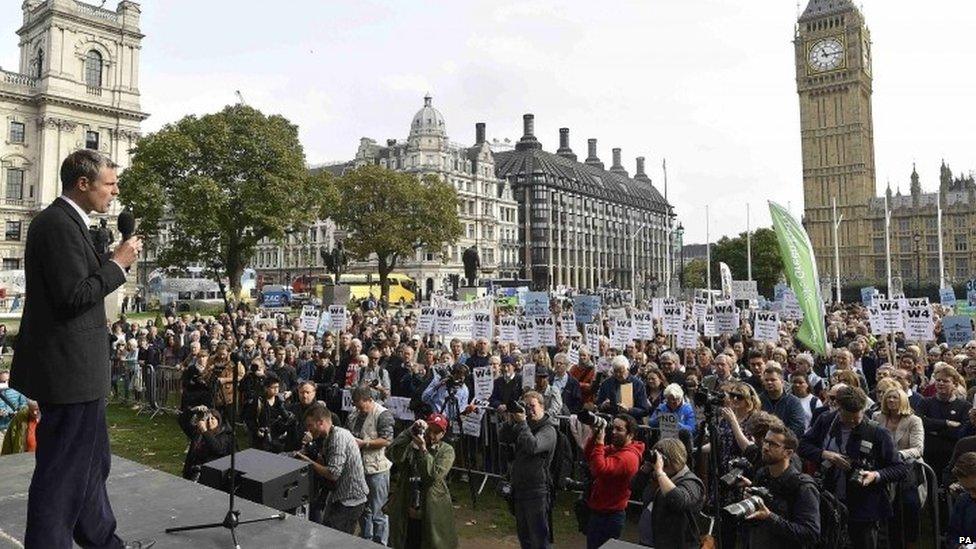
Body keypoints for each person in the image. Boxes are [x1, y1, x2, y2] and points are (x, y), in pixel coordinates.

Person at [8, 150, 153, 549]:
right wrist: (118, 264)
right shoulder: (57, 225)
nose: (115, 191)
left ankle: (103, 541)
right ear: (84, 183)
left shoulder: (71, 223)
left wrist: (108, 261)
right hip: (69, 373)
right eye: (110, 183)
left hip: (78, 371)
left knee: (91, 467)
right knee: (63, 474)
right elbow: (73, 296)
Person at [799, 385, 908, 548]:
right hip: (829, 500)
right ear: (839, 408)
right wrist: (826, 454)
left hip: (863, 507)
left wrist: (875, 475)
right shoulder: (826, 421)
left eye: (857, 418)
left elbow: (899, 468)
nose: (853, 423)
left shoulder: (877, 432)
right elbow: (803, 446)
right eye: (848, 419)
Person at [741, 424, 821, 548]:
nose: (766, 447)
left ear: (788, 453)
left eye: (773, 444)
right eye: (766, 442)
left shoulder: (803, 487)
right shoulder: (762, 475)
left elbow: (811, 534)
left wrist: (769, 517)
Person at [387, 414, 459, 549]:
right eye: (429, 429)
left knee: (431, 542)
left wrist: (423, 450)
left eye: (436, 432)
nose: (431, 434)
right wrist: (408, 433)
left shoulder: (447, 450)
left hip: (432, 506)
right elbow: (392, 454)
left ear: (443, 433)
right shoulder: (412, 445)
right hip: (407, 502)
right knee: (404, 541)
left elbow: (433, 476)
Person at [296, 404, 369, 534]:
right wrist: (312, 453)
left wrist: (308, 462)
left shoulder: (338, 438)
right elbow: (326, 463)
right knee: (327, 533)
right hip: (339, 496)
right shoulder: (329, 437)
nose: (308, 430)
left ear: (321, 423)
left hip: (350, 501)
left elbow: (333, 473)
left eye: (310, 426)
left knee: (336, 540)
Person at [500, 390, 557, 549]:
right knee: (524, 537)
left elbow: (533, 446)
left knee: (539, 539)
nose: (529, 410)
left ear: (542, 407)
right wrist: (510, 421)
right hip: (520, 488)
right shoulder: (523, 426)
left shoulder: (548, 430)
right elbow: (502, 437)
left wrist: (522, 423)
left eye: (532, 406)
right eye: (526, 406)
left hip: (537, 491)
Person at [872, 387, 924, 547]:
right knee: (890, 511)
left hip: (907, 471)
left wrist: (898, 455)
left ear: (902, 400)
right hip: (883, 469)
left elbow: (918, 448)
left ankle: (910, 542)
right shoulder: (876, 417)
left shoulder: (914, 420)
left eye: (895, 397)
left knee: (909, 507)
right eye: (888, 398)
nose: (891, 400)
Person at [583, 413, 644, 549]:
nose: (614, 432)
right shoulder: (616, 449)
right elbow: (589, 455)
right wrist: (594, 436)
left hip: (610, 515)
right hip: (599, 511)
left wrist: (599, 442)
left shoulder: (629, 457)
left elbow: (599, 470)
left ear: (631, 434)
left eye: (619, 429)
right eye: (613, 428)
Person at [346, 385, 394, 545]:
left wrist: (364, 444)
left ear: (370, 400)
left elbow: (387, 440)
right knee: (363, 509)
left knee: (378, 510)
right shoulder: (354, 414)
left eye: (361, 405)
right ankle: (366, 541)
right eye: (356, 405)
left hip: (377, 470)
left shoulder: (383, 414)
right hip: (358, 469)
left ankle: (381, 543)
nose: (359, 408)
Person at [637, 437, 705, 548]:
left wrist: (660, 472)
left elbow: (678, 501)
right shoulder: (657, 476)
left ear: (672, 460)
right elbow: (634, 487)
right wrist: (646, 468)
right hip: (650, 542)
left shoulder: (692, 482)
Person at [242, 374, 292, 453]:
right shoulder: (258, 402)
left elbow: (286, 418)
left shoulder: (279, 402)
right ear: (266, 388)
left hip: (277, 437)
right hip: (261, 438)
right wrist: (256, 430)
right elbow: (249, 419)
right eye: (273, 387)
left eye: (277, 387)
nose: (276, 390)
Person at [181, 407, 232, 481]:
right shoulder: (198, 434)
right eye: (207, 419)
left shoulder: (224, 435)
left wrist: (205, 431)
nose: (209, 421)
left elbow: (217, 449)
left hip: (212, 476)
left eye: (212, 418)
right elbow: (182, 421)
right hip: (193, 472)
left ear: (218, 421)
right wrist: (193, 410)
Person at [596, 355, 651, 420]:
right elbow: (598, 404)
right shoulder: (606, 383)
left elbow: (644, 410)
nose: (618, 374)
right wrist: (603, 405)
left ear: (627, 369)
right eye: (615, 372)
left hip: (631, 422)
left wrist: (629, 410)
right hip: (612, 420)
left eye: (621, 372)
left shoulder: (638, 384)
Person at [760, 362, 806, 437]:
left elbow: (798, 428)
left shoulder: (793, 402)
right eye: (766, 380)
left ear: (782, 381)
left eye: (773, 380)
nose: (769, 382)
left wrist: (777, 437)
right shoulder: (759, 400)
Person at [949, 452, 976, 549]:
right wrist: (959, 545)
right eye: (966, 489)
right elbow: (954, 537)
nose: (972, 495)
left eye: (974, 488)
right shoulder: (963, 501)